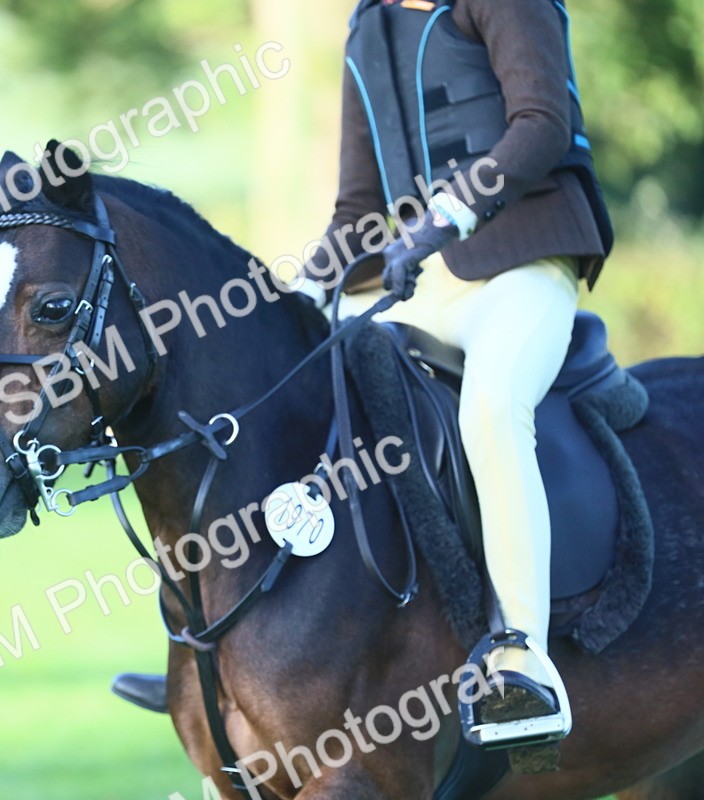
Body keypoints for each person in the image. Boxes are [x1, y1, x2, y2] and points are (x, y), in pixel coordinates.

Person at [110, 0, 613, 749]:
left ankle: (523, 657)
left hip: (524, 265)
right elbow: (358, 209)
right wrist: (298, 293)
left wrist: (447, 218)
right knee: (284, 408)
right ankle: (212, 654)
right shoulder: (366, 25)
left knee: (491, 410)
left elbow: (539, 124)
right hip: (417, 285)